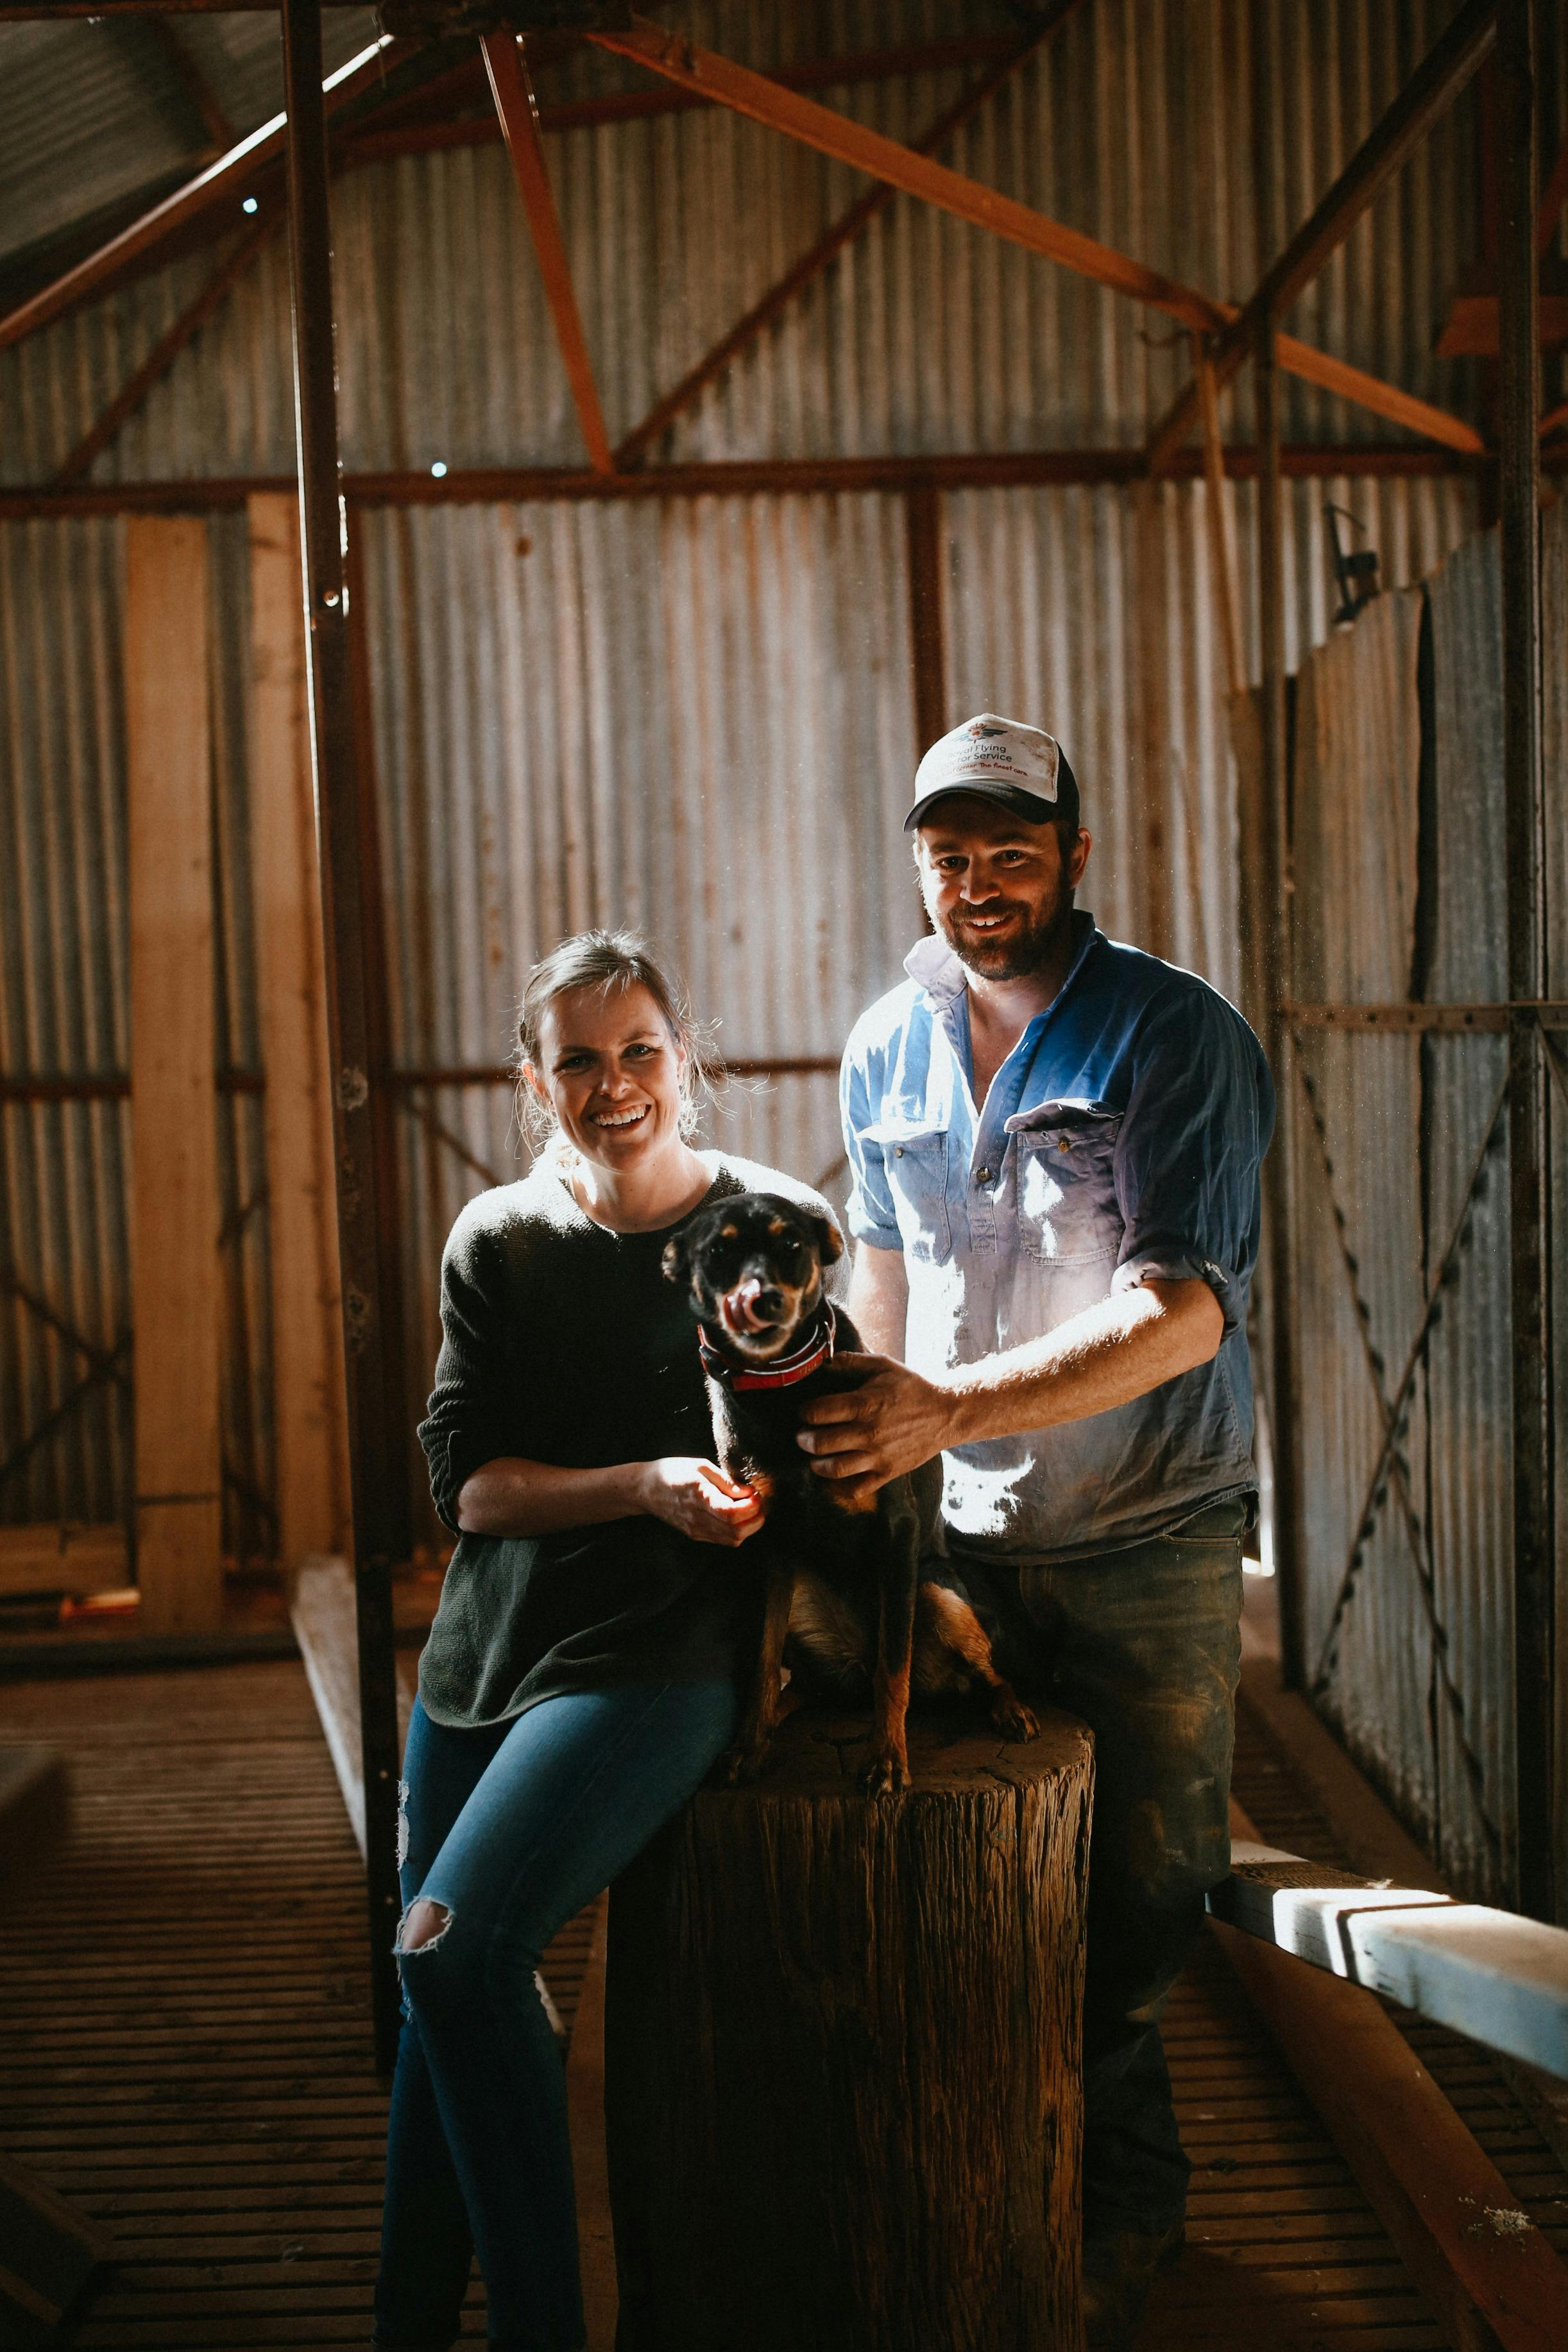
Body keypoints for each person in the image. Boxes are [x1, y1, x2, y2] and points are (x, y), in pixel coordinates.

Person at [796, 713, 1274, 2351]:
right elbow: (875, 1264)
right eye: (948, 855)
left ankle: (1120, 2218)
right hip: (955, 1542)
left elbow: (1185, 1315)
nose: (976, 884)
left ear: (1077, 856)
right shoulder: (884, 1044)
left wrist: (945, 1411)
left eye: (1011, 852)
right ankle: (980, 2199)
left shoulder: (1173, 1035)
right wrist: (856, 1440)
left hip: (1145, 1535)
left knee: (1143, 1899)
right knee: (954, 1884)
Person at [374, 928, 834, 2352]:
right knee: (426, 1997)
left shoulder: (769, 1219)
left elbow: (828, 1434)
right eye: (579, 1060)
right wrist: (640, 1484)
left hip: (659, 1650)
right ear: (536, 1082)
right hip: (485, 1657)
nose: (616, 1082)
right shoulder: (498, 1240)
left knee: (458, 1951)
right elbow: (472, 1493)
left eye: (641, 1050)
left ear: (686, 1056)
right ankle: (401, 2332)